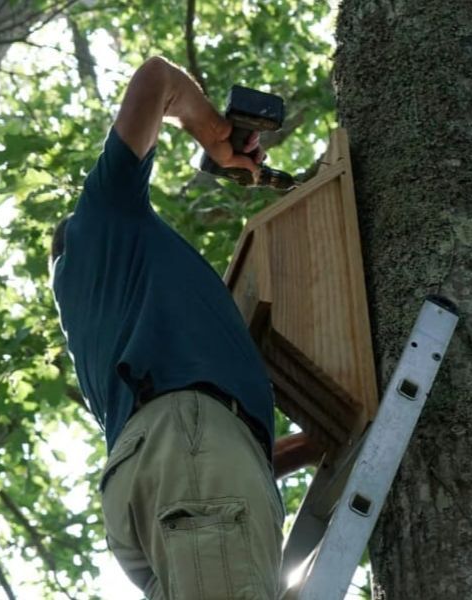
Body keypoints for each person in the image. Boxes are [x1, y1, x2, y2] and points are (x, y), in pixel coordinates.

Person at [49, 56, 320, 599]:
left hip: (168, 480)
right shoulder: (100, 221)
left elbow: (207, 451)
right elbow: (159, 81)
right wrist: (218, 136)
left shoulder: (117, 316)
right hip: (187, 466)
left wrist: (321, 445)